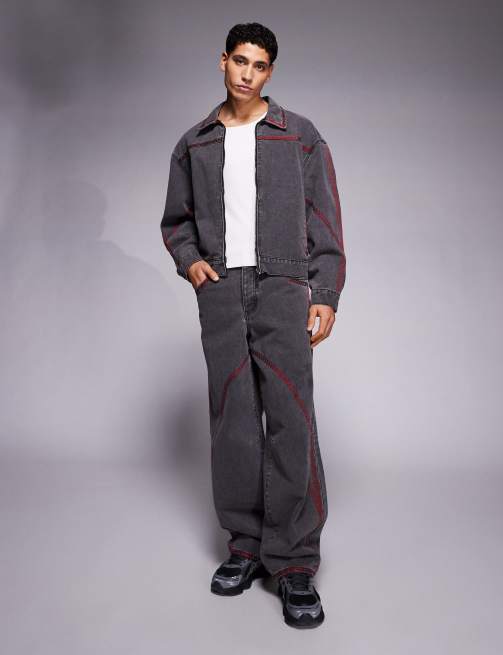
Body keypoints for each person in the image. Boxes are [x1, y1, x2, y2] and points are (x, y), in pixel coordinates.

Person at [160, 22, 346, 629]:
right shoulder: (195, 143)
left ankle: (293, 561)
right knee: (233, 420)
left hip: (283, 288)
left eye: (259, 65)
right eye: (239, 61)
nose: (247, 74)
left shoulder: (299, 135)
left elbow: (324, 216)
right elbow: (176, 221)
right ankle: (245, 545)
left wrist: (325, 292)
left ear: (270, 72)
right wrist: (191, 262)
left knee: (291, 417)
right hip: (221, 292)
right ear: (223, 61)